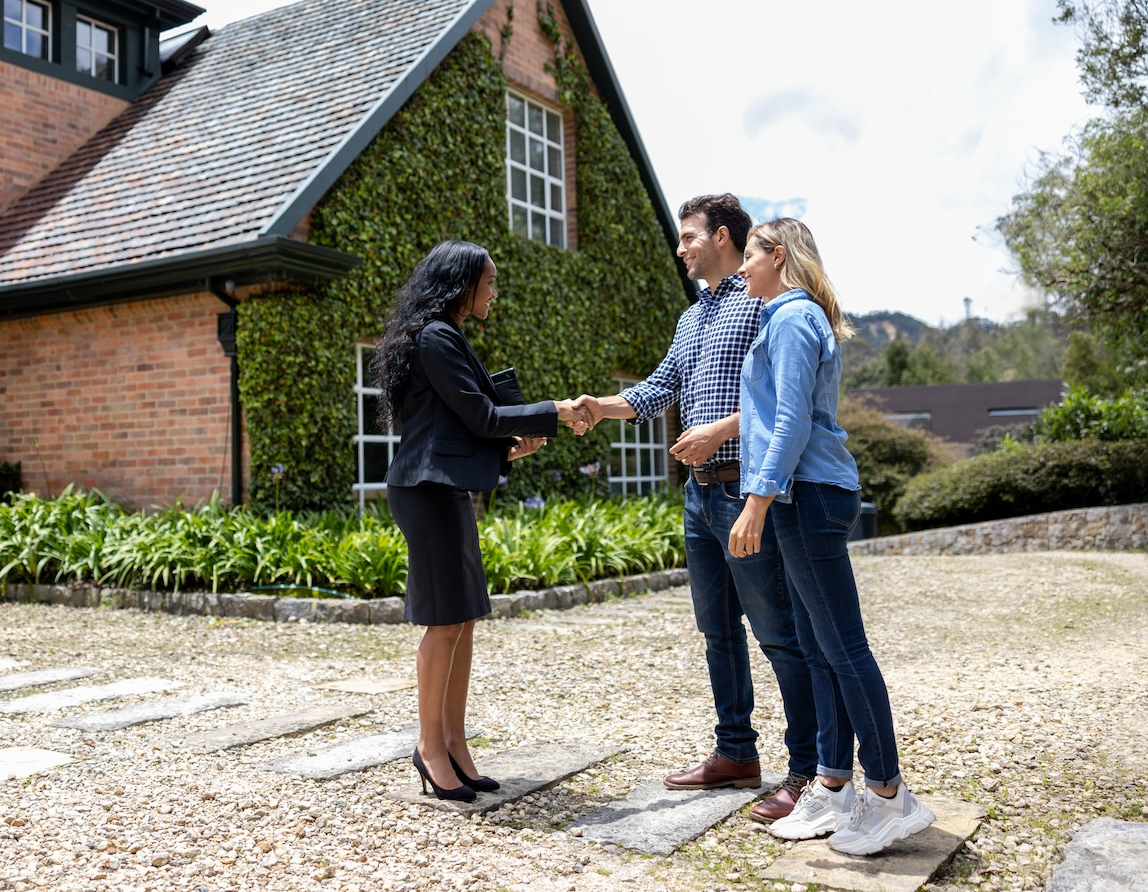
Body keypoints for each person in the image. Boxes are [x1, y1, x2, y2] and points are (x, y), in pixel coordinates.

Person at [571, 194, 819, 822]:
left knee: (777, 633)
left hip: (745, 487)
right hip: (698, 494)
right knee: (717, 632)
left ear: (725, 237)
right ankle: (735, 752)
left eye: (688, 237)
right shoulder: (690, 321)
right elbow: (660, 390)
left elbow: (786, 398)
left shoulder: (762, 301)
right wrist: (602, 407)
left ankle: (809, 769)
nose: (679, 248)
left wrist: (717, 433)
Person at [728, 217, 934, 854]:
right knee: (821, 647)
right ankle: (837, 785)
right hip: (805, 492)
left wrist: (757, 499)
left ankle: (890, 796)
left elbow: (790, 417)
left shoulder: (791, 318)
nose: (741, 267)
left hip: (806, 493)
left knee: (843, 647)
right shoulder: (790, 316)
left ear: (778, 256)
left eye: (751, 256)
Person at [376, 239, 588, 802]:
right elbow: (482, 415)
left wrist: (508, 451)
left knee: (463, 618)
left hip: (443, 486)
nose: (494, 291)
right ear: (462, 283)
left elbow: (459, 430)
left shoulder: (446, 335)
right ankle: (428, 748)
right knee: (443, 623)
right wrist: (556, 411)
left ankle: (454, 744)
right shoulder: (436, 336)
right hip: (425, 491)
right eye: (489, 282)